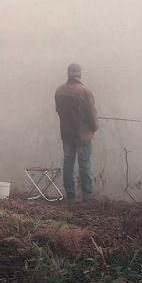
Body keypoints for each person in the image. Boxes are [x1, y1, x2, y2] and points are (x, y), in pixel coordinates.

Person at [54, 62, 99, 201]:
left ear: (68, 74)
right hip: (82, 135)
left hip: (66, 133)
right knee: (84, 163)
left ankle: (70, 194)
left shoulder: (59, 90)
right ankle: (87, 195)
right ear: (80, 74)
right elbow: (91, 116)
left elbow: (58, 111)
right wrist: (94, 127)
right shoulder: (85, 92)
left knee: (68, 163)